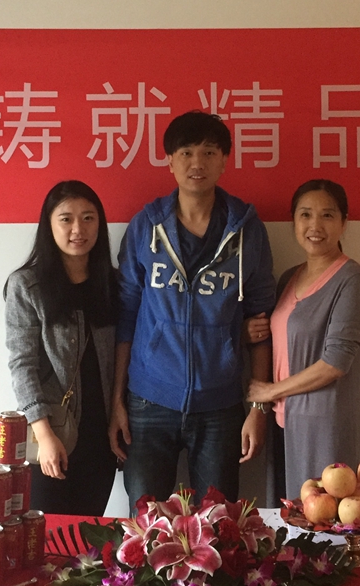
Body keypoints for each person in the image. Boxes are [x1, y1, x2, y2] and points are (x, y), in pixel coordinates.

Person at [108, 110, 277, 509]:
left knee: (218, 525)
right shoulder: (146, 227)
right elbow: (127, 317)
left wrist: (258, 407)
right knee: (146, 527)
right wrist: (117, 401)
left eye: (209, 152)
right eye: (186, 152)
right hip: (148, 402)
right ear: (170, 161)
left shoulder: (247, 230)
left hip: (219, 406)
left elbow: (261, 321)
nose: (197, 163)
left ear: (224, 160)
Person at [246, 179, 360, 504]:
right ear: (294, 221)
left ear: (344, 223)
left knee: (325, 517)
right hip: (283, 422)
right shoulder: (289, 278)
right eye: (305, 215)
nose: (315, 226)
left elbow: (335, 363)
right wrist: (251, 331)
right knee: (288, 518)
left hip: (324, 426)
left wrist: (270, 391)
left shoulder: (352, 280)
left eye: (327, 215)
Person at [3, 180, 119, 515]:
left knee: (87, 534)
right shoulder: (27, 285)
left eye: (88, 218)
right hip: (53, 433)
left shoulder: (112, 283)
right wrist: (44, 435)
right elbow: (22, 365)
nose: (78, 229)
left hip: (101, 438)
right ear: (49, 225)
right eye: (66, 219)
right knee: (47, 532)